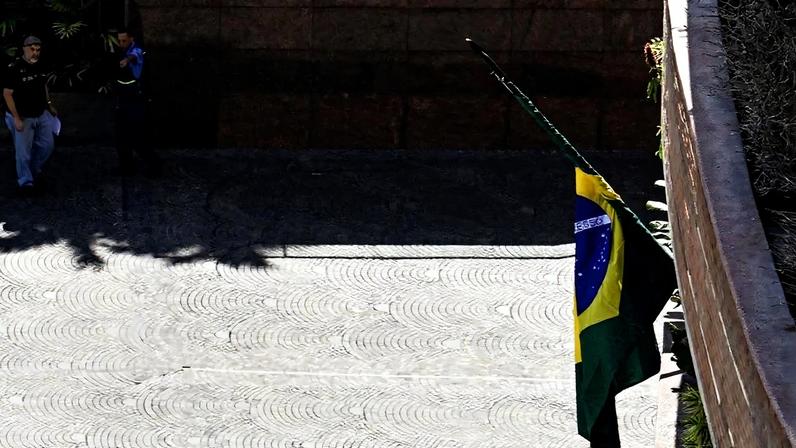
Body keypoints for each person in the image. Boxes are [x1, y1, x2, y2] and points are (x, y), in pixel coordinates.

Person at [3, 35, 57, 194]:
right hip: (23, 116)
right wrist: (16, 118)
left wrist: (49, 105)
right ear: (24, 49)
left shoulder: (41, 65)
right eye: (32, 49)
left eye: (38, 50)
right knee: (23, 152)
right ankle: (25, 183)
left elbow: (44, 86)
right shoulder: (14, 68)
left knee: (47, 145)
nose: (35, 53)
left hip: (40, 113)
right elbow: (7, 94)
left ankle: (33, 169)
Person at [114, 28, 158, 176]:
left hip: (135, 100)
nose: (121, 43)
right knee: (121, 136)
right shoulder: (120, 50)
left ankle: (154, 165)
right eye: (119, 41)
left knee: (137, 136)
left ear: (131, 39)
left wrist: (127, 59)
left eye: (124, 41)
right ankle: (127, 167)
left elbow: (135, 55)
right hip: (123, 99)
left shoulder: (137, 50)